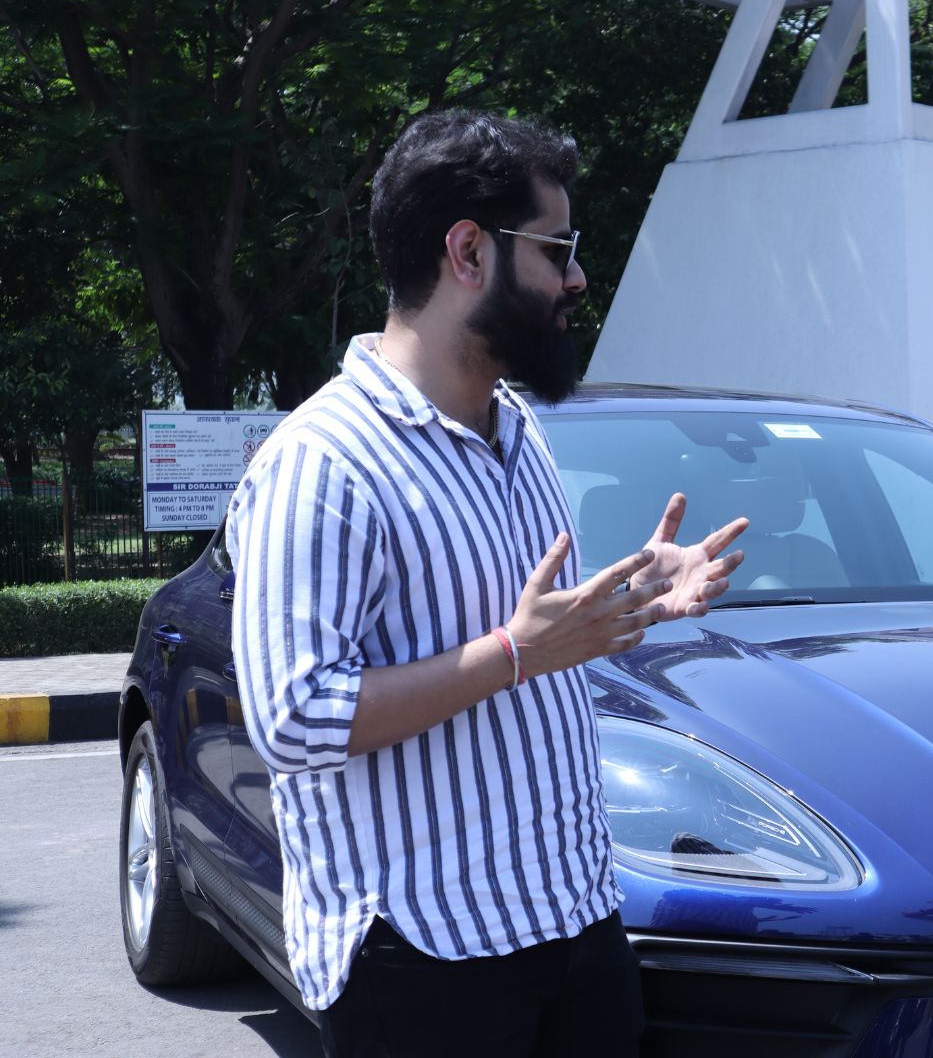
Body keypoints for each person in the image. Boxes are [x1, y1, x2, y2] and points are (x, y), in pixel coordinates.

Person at [227, 108, 747, 1056]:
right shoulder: (322, 462)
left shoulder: (519, 428)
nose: (576, 279)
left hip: (574, 916)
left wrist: (636, 594)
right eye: (557, 250)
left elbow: (541, 633)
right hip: (426, 954)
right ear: (469, 252)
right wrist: (510, 654)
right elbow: (294, 719)